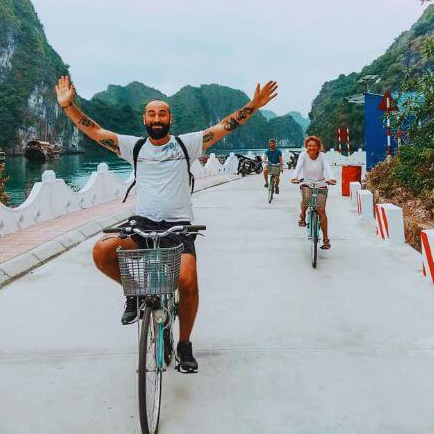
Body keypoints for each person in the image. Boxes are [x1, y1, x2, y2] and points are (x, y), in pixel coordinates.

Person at [55, 75, 278, 372]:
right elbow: (94, 131)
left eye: (162, 113)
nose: (157, 118)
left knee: (187, 279)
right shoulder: (132, 147)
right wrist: (68, 106)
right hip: (143, 225)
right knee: (101, 251)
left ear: (170, 118)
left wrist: (253, 105)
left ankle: (184, 343)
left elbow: (226, 125)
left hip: (178, 228)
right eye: (151, 113)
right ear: (144, 119)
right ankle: (136, 293)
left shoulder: (188, 144)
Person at [291, 135, 336, 249]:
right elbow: (298, 167)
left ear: (318, 147)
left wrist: (331, 178)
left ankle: (326, 239)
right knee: (306, 200)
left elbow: (327, 168)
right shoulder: (303, 155)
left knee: (321, 210)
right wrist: (294, 177)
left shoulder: (323, 156)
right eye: (309, 145)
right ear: (306, 146)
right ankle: (302, 216)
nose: (312, 148)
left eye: (314, 146)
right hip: (306, 181)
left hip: (321, 183)